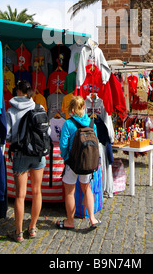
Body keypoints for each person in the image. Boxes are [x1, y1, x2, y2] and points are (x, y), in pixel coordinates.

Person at [6, 80, 46, 242]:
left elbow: (7, 135)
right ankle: (33, 228)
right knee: (37, 191)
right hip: (38, 154)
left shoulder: (11, 111)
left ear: (18, 92)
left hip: (21, 153)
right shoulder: (40, 108)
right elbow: (46, 130)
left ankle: (18, 232)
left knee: (20, 195)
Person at [58, 95, 101, 230]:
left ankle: (70, 221)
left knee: (70, 192)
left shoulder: (68, 123)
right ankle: (92, 218)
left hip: (72, 162)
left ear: (71, 108)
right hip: (87, 162)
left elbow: (63, 145)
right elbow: (96, 142)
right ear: (84, 107)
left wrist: (66, 159)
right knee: (87, 188)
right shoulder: (91, 123)